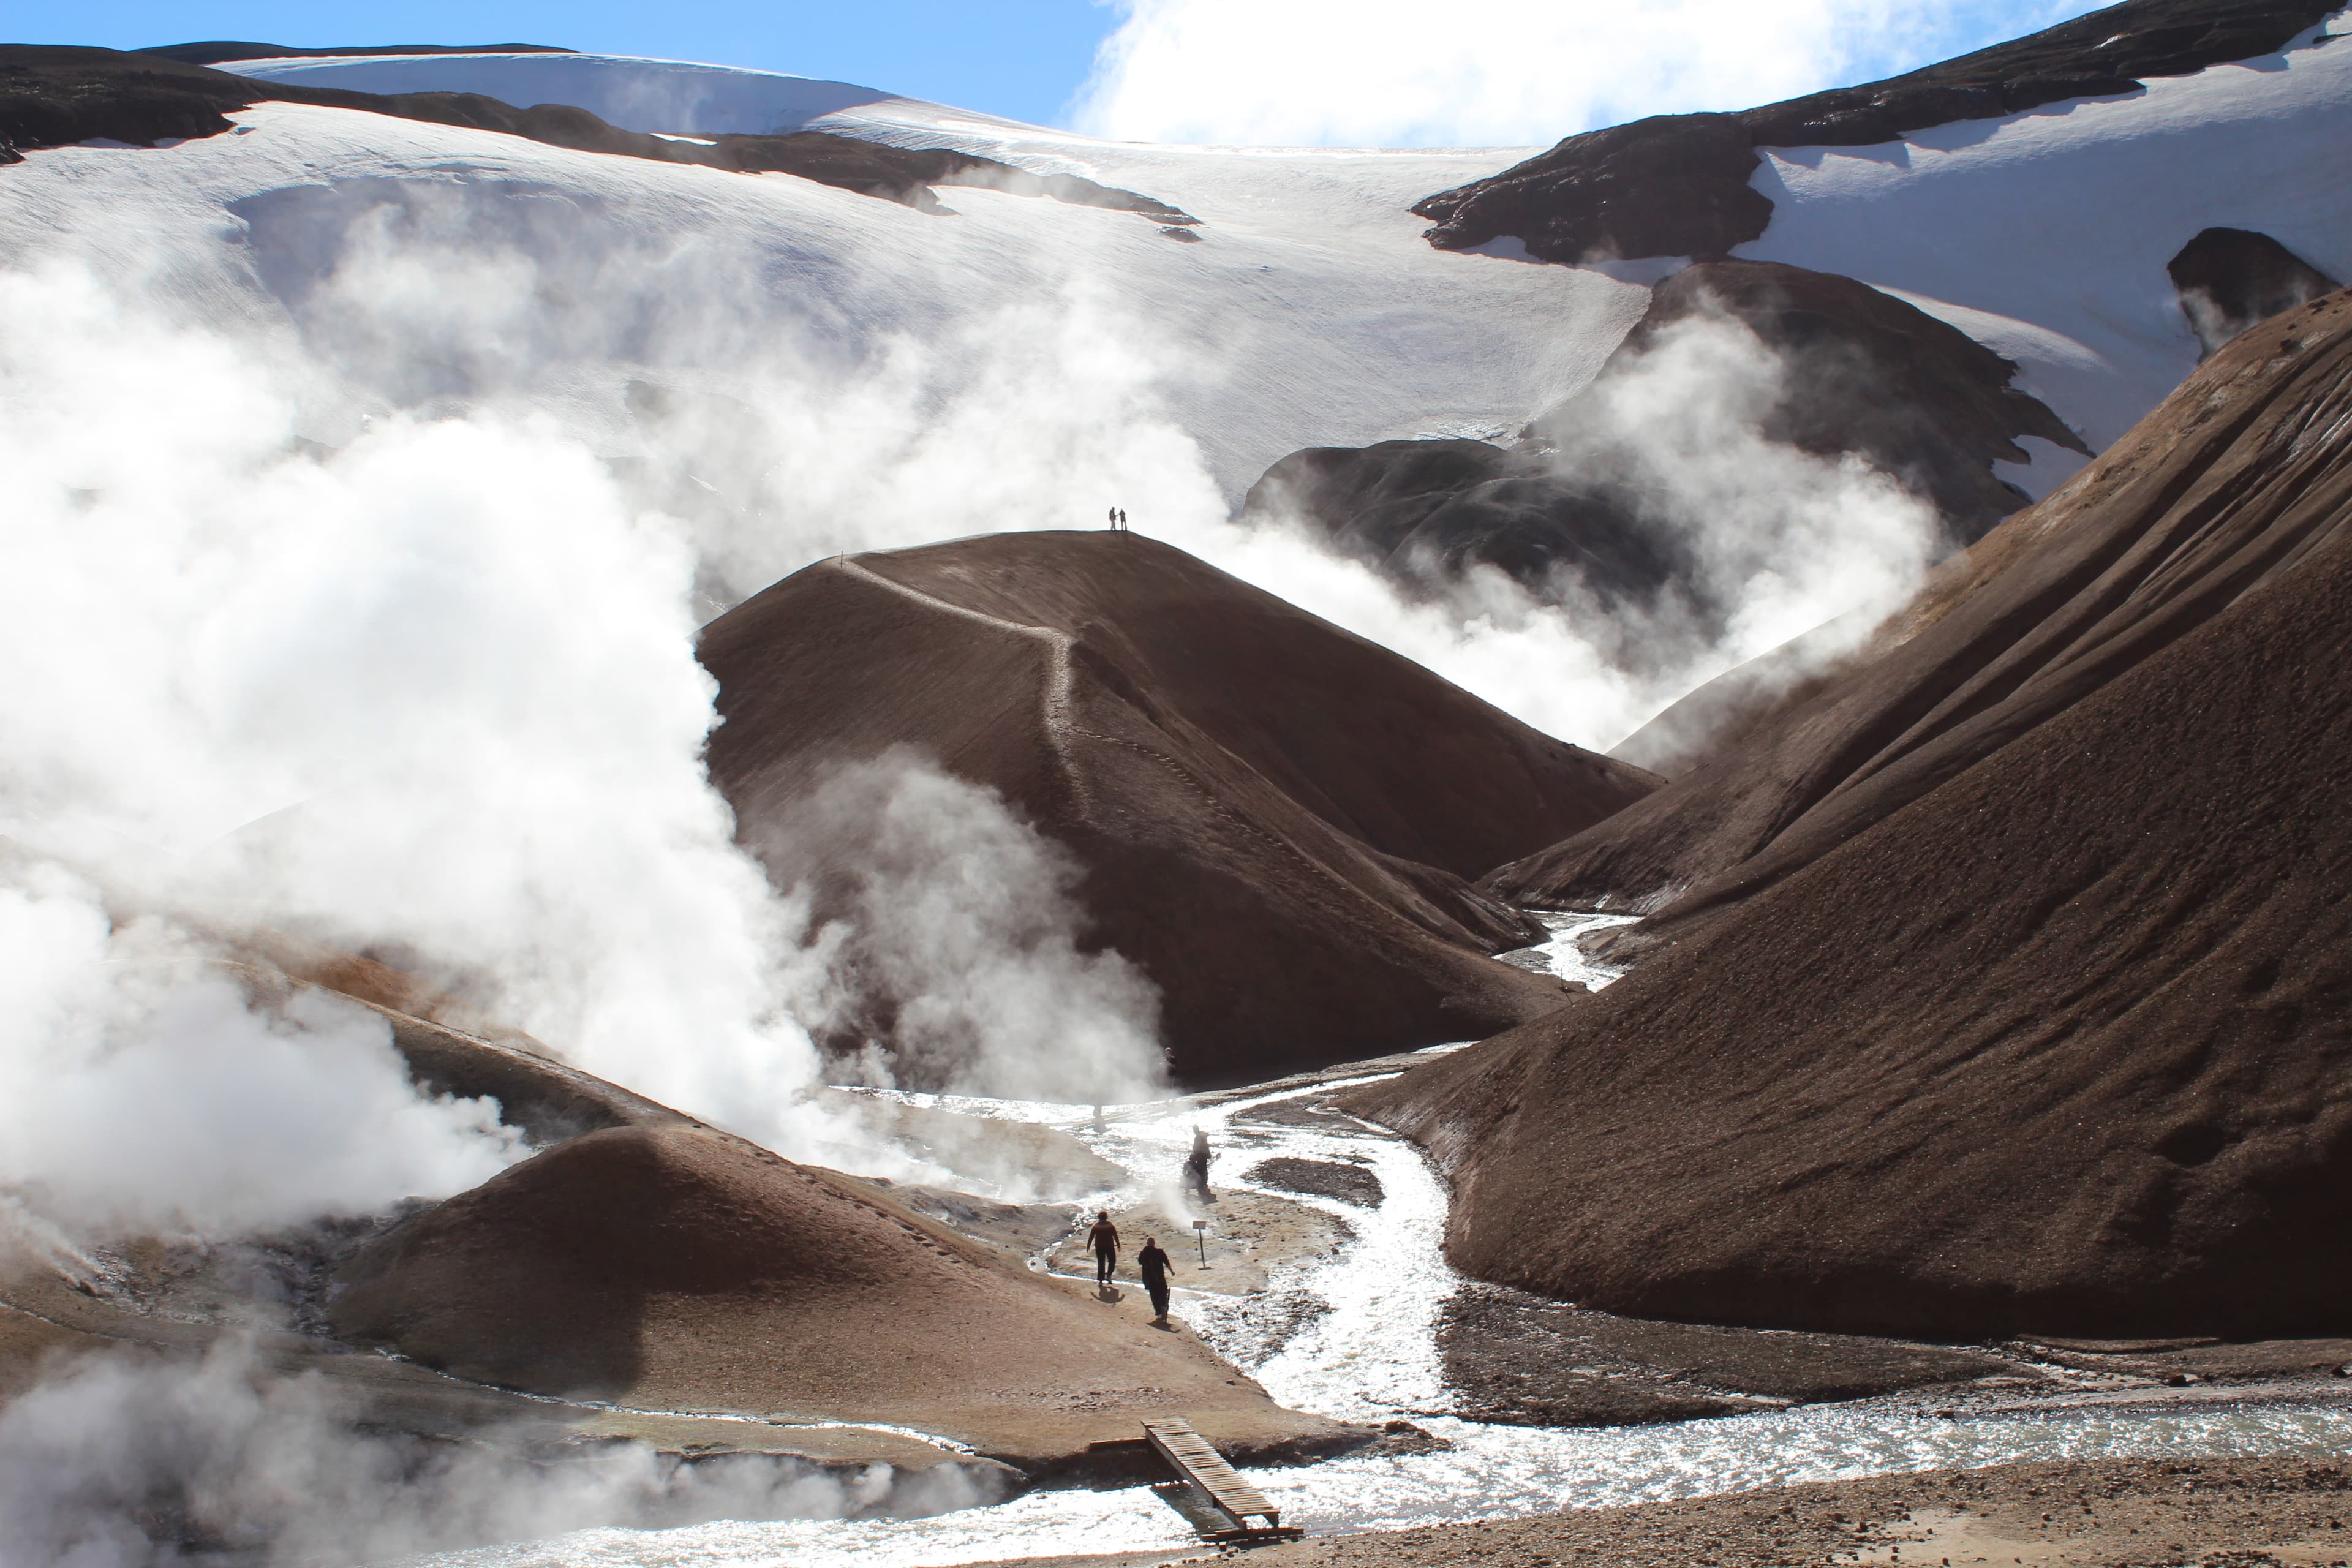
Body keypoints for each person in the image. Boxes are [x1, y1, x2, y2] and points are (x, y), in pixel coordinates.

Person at [1138, 1234, 1174, 1326]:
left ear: (1147, 1243)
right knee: (1163, 1293)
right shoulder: (1160, 1252)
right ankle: (1164, 1306)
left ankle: (1159, 1313)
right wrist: (1172, 1271)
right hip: (1160, 1277)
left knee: (1154, 1296)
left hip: (1149, 1278)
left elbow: (1140, 1262)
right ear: (1154, 1243)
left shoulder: (1144, 1253)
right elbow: (1167, 1262)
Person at [1087, 1210, 1120, 1286]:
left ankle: (1101, 1280)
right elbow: (1115, 1236)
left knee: (1101, 1263)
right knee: (1112, 1261)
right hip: (1109, 1246)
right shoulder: (1110, 1226)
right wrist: (1118, 1245)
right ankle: (1109, 1275)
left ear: (1099, 1217)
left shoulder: (1096, 1226)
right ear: (1106, 1217)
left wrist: (1088, 1245)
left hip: (1099, 1247)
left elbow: (1091, 1237)